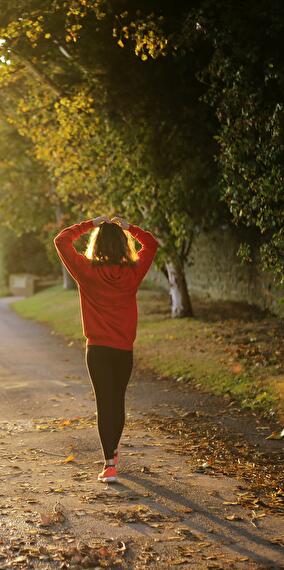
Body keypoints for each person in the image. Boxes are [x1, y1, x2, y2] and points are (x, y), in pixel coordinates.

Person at [53, 214, 159, 483]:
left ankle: (109, 463)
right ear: (123, 245)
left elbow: (62, 240)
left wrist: (90, 224)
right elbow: (152, 244)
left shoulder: (87, 271)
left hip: (98, 350)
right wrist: (130, 228)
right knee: (117, 401)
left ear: (96, 245)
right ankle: (112, 452)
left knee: (105, 403)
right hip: (123, 350)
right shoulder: (133, 272)